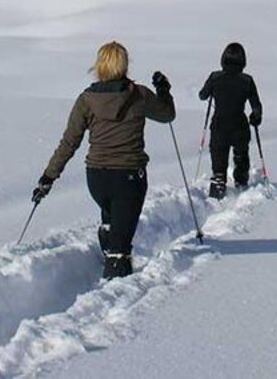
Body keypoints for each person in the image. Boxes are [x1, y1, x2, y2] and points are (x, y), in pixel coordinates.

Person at [31, 41, 176, 279]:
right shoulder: (139, 95)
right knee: (119, 251)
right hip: (129, 177)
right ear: (125, 65)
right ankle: (115, 288)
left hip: (96, 178)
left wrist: (48, 177)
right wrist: (164, 90)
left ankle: (110, 236)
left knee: (112, 218)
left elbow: (69, 142)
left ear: (100, 65)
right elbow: (167, 115)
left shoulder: (86, 99)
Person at [198, 42, 263, 199]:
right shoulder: (247, 80)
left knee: (218, 155)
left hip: (219, 125)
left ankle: (218, 184)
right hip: (239, 125)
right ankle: (241, 183)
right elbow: (256, 105)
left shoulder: (215, 77)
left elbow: (202, 95)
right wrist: (255, 117)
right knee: (241, 155)